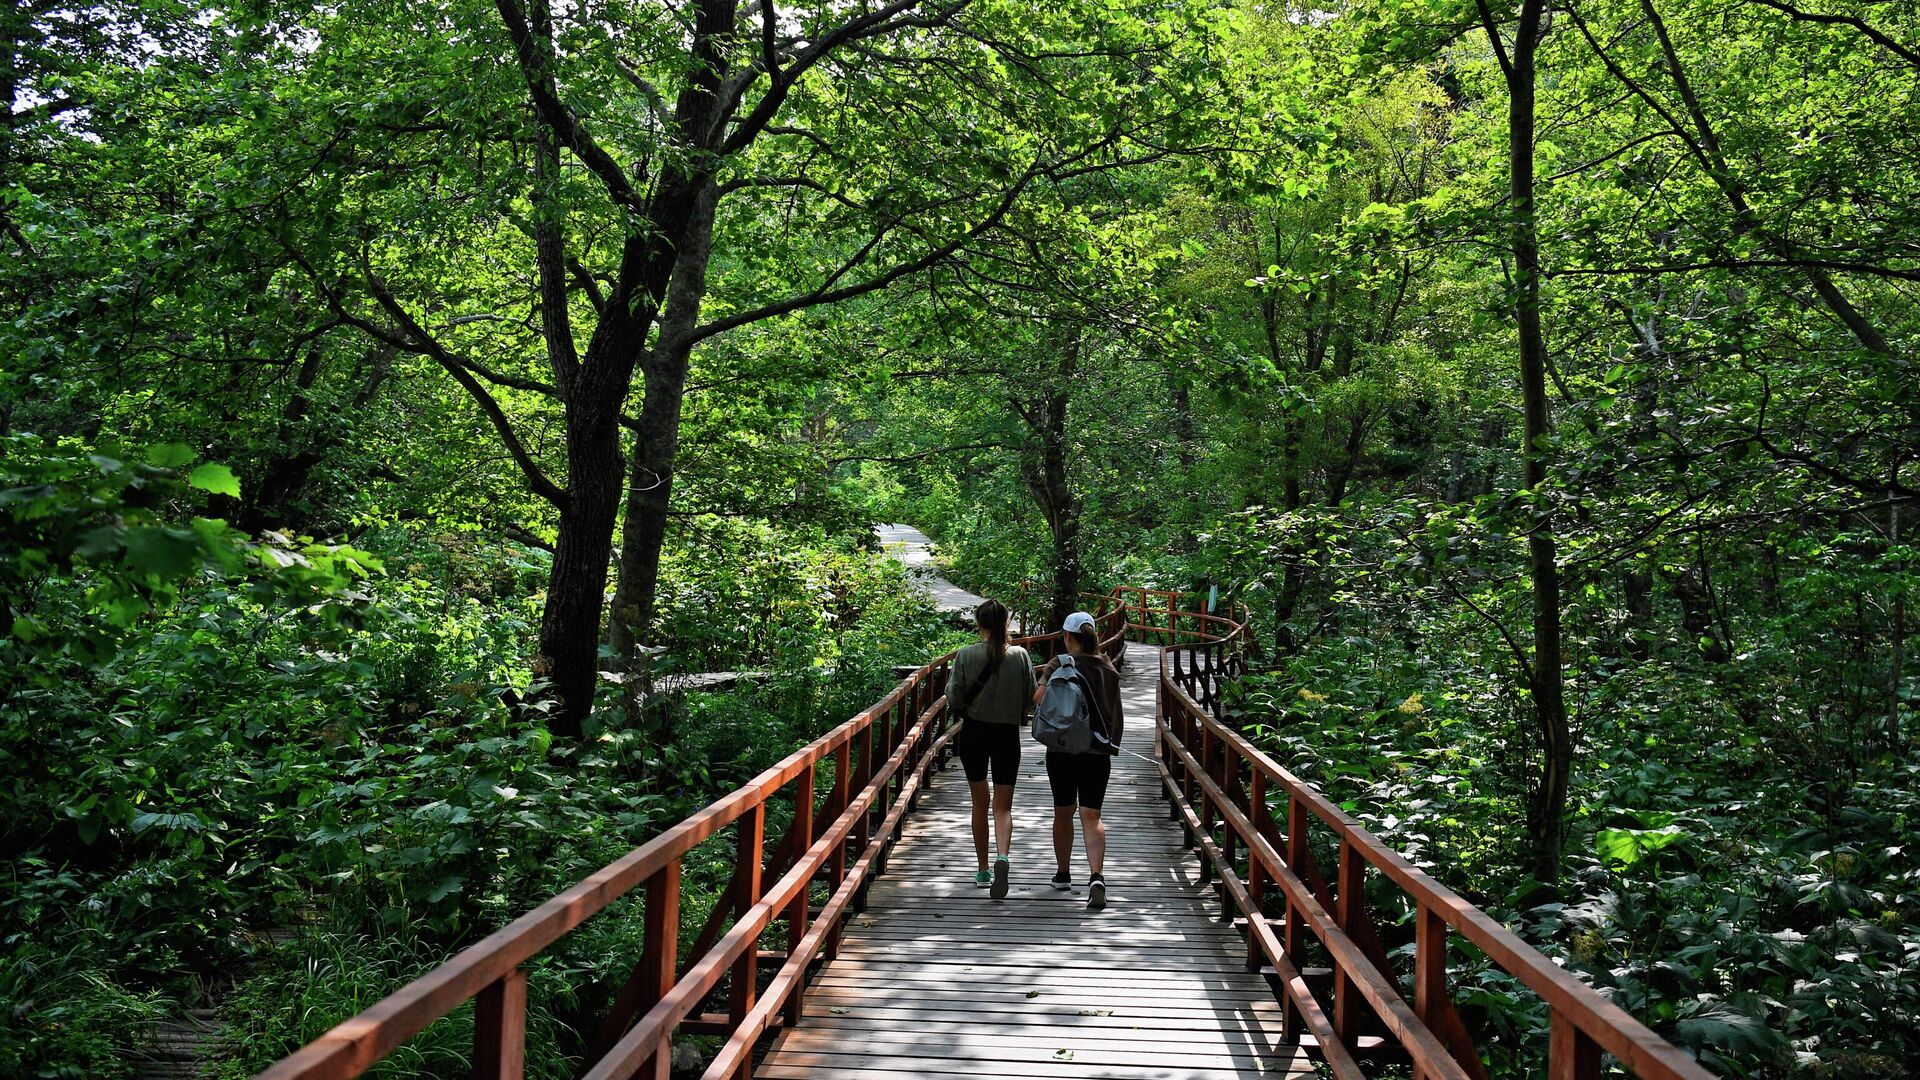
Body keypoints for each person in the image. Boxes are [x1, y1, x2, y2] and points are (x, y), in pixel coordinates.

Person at [946, 598, 1036, 899]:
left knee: (979, 803)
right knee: (1003, 806)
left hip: (974, 732)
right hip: (1007, 735)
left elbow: (954, 697)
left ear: (979, 623)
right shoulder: (1021, 656)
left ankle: (983, 868)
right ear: (1006, 623)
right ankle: (1003, 856)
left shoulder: (966, 654)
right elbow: (1028, 697)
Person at [1033, 610, 1123, 910]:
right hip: (1097, 752)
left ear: (1068, 637)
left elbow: (1039, 699)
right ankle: (1096, 875)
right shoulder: (1108, 667)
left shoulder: (1059, 663)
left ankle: (1063, 873)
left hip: (1062, 749)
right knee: (1091, 815)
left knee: (1063, 811)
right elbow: (1116, 714)